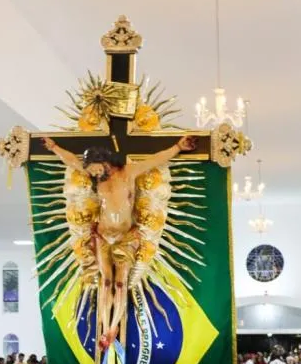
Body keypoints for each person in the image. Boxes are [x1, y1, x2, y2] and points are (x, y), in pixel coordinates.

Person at [40, 134, 197, 347]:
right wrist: (54, 147)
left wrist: (178, 147)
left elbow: (156, 160)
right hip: (103, 236)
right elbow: (72, 161)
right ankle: (105, 327)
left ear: (103, 161)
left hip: (126, 237)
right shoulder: (96, 178)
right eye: (91, 171)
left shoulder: (128, 172)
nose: (94, 174)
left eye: (96, 169)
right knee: (105, 282)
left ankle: (113, 328)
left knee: (121, 283)